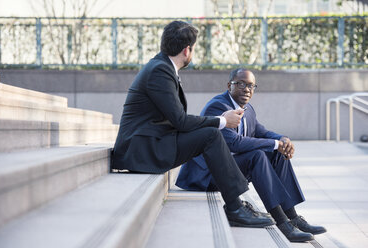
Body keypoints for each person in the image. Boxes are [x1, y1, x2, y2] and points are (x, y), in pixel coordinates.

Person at [111, 21, 274, 228]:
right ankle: (235, 208)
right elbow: (180, 120)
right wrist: (223, 121)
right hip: (143, 150)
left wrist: (217, 122)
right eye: (194, 48)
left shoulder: (161, 67)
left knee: (209, 133)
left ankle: (236, 205)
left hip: (154, 142)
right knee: (211, 135)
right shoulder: (160, 71)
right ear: (187, 50)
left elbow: (178, 120)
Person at [176, 68, 327, 242]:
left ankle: (292, 217)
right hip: (207, 175)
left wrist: (283, 140)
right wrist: (275, 144)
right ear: (229, 85)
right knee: (258, 156)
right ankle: (282, 222)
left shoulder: (247, 109)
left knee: (278, 155)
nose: (247, 89)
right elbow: (235, 142)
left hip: (227, 171)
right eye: (241, 84)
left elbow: (261, 132)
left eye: (251, 86)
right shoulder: (217, 106)